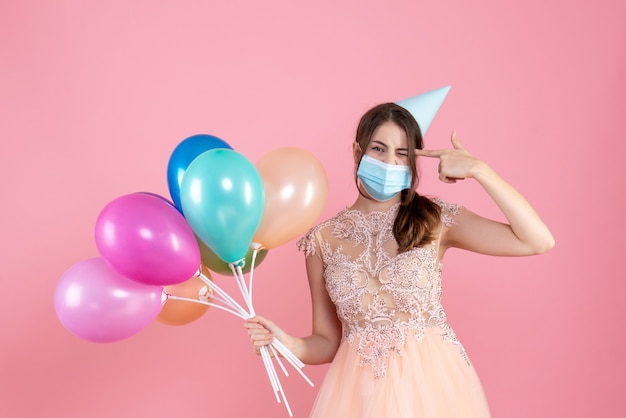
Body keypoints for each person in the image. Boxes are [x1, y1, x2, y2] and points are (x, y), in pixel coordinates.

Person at [245, 102, 555, 417]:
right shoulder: (322, 241)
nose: (390, 161)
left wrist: (480, 171)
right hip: (358, 396)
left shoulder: (436, 219)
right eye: (379, 149)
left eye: (402, 153)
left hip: (433, 392)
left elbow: (536, 240)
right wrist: (285, 343)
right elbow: (326, 341)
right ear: (357, 152)